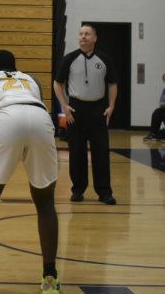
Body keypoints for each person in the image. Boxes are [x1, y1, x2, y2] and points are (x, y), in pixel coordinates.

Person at [0, 50, 61, 294]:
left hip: (7, 118)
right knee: (45, 202)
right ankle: (50, 278)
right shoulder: (32, 80)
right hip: (40, 118)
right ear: (16, 67)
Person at [53, 24, 118, 205]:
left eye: (87, 34)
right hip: (76, 110)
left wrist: (111, 106)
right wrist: (64, 106)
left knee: (101, 152)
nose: (83, 37)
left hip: (98, 109)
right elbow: (58, 83)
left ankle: (104, 192)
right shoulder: (69, 59)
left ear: (94, 38)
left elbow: (113, 84)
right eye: (81, 34)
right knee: (77, 151)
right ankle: (78, 190)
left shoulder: (104, 58)